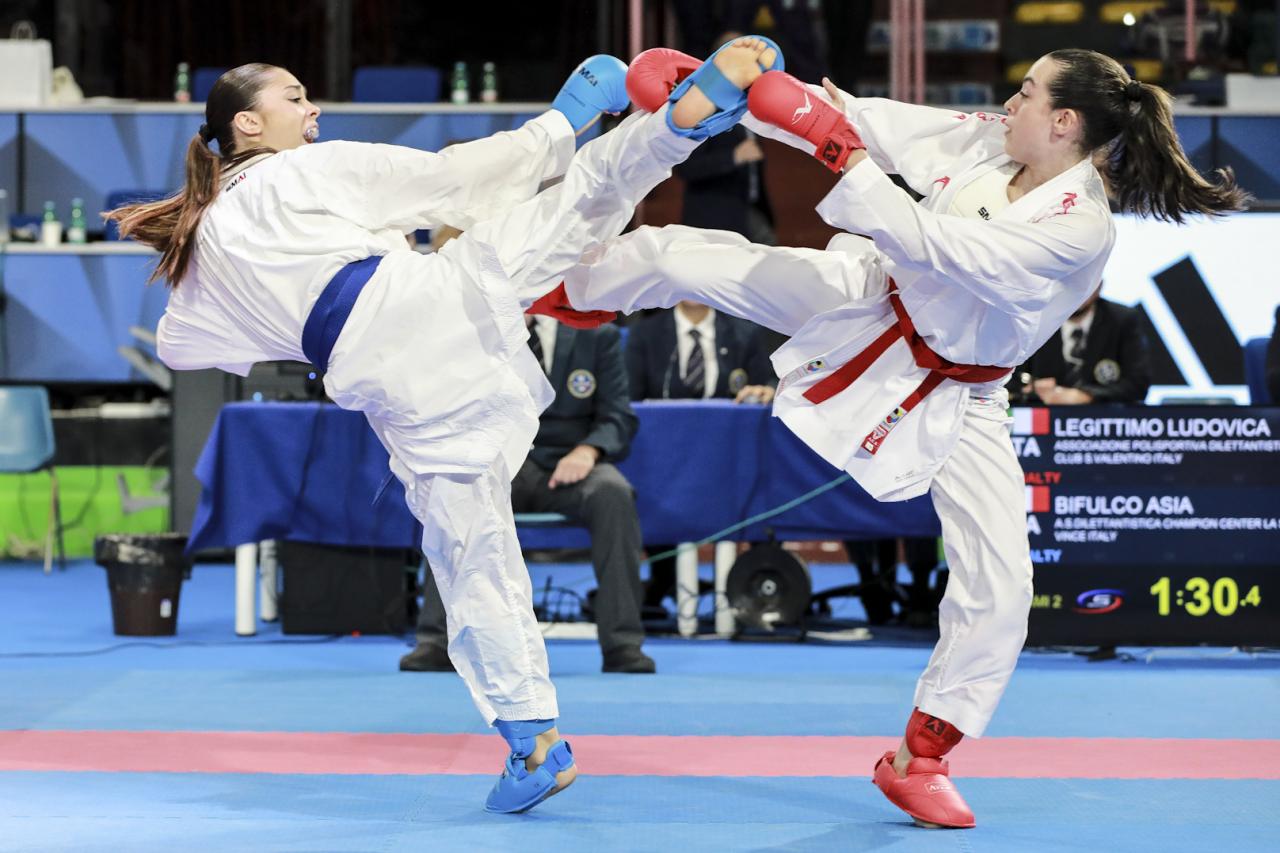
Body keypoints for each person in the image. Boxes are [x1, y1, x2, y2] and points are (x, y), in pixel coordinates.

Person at [563, 47, 1247, 827]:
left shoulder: (1079, 229)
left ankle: (921, 755)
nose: (1009, 102)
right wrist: (732, 94)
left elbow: (937, 244)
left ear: (1065, 122)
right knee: (686, 253)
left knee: (1002, 588)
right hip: (875, 303)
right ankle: (562, 284)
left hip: (961, 391)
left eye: (1025, 92)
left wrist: (834, 147)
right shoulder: (1000, 140)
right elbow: (873, 126)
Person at [106, 37, 784, 814]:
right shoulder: (304, 169)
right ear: (248, 126)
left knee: (474, 554)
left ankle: (533, 738)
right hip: (423, 303)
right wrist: (560, 123)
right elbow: (448, 178)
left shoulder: (203, 250)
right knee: (575, 201)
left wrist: (284, 305)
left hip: (384, 376)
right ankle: (678, 124)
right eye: (293, 97)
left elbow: (181, 344)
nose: (312, 107)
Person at [403, 309, 656, 674]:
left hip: (569, 462)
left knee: (613, 492)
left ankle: (622, 643)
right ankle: (435, 639)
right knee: (453, 490)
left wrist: (588, 450)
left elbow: (618, 416)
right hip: (498, 461)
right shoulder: (477, 331)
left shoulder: (597, 335)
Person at [624, 298, 776, 615]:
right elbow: (629, 401)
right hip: (665, 462)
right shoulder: (645, 334)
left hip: (730, 461)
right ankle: (662, 575)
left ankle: (762, 579)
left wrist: (766, 390)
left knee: (767, 479)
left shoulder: (743, 333)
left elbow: (768, 381)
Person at [1011, 283, 1153, 405]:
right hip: (1045, 420)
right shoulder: (1036, 318)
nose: (1078, 292)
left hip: (1101, 422)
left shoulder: (1122, 320)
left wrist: (1086, 396)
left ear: (1099, 286)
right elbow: (1008, 378)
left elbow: (1138, 385)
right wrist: (1032, 389)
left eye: (1086, 284)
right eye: (1072, 284)